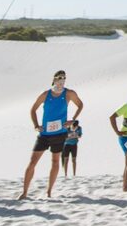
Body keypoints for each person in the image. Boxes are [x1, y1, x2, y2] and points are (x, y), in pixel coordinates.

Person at [20, 70, 84, 200]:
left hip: (59, 134)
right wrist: (36, 125)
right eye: (59, 78)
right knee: (33, 161)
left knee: (55, 162)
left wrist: (73, 120)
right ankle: (24, 192)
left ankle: (49, 192)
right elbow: (33, 109)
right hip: (44, 134)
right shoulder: (46, 94)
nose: (62, 80)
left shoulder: (69, 93)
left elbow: (80, 105)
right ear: (54, 79)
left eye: (64, 78)